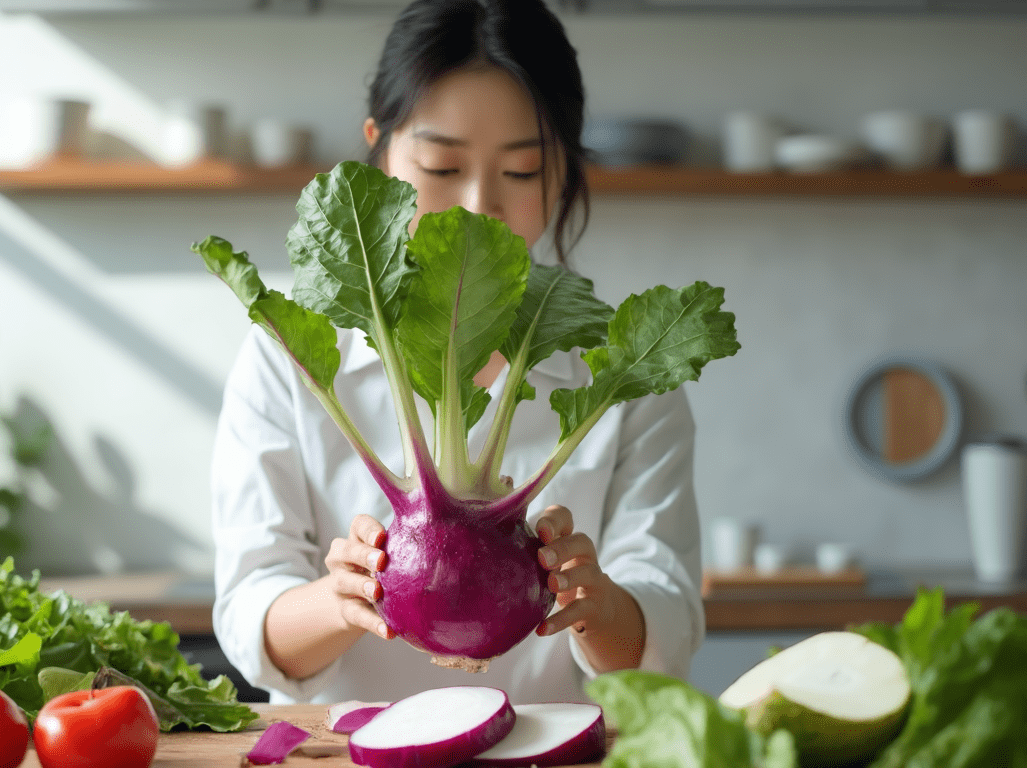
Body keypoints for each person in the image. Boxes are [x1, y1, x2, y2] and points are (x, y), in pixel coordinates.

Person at [211, 0, 704, 706]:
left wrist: (594, 600)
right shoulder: (283, 351)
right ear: (379, 146)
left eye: (525, 172)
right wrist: (343, 596)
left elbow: (666, 627)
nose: (480, 205)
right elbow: (249, 615)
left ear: (565, 169)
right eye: (441, 165)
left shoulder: (630, 367)